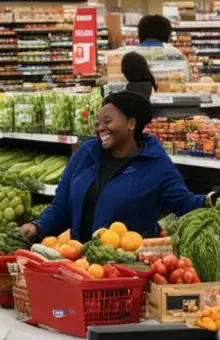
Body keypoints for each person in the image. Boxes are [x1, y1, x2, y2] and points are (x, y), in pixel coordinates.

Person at [21, 91, 214, 241]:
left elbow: (183, 203)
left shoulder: (156, 164)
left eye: (108, 121)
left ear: (131, 123)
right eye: (97, 123)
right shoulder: (86, 153)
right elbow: (62, 207)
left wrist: (210, 200)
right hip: (80, 262)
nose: (100, 128)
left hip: (128, 266)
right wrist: (38, 226)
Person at [126, 14, 190, 82]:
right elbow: (188, 83)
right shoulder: (179, 56)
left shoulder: (125, 56)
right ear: (167, 36)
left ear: (139, 34)